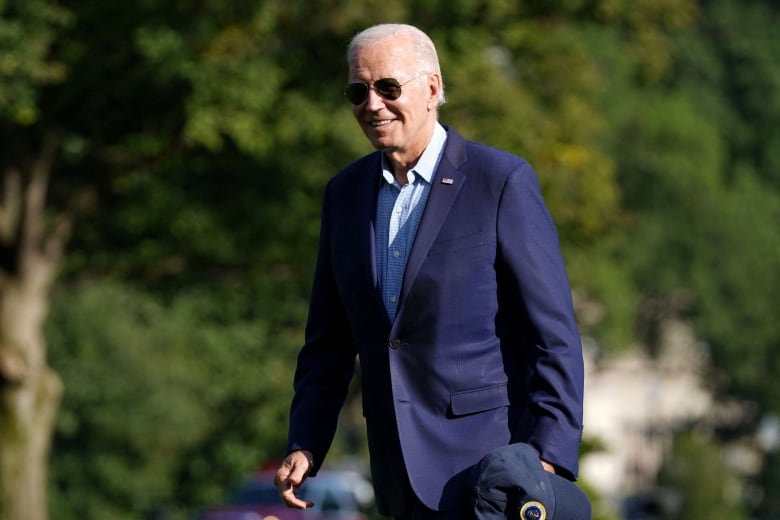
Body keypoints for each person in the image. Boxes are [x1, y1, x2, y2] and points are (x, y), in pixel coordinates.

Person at [275, 23, 589, 520]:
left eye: (388, 88)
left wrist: (547, 459)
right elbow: (328, 342)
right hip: (396, 477)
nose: (372, 104)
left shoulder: (500, 181)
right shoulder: (344, 195)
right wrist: (306, 443)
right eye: (358, 91)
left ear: (433, 89)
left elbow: (552, 337)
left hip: (494, 476)